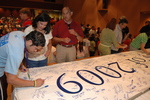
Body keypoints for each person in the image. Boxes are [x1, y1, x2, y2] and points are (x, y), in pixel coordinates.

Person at [0, 30, 45, 100]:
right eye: (36, 49)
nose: (35, 51)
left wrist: (20, 65)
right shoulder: (17, 53)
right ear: (30, 41)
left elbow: (9, 51)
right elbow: (11, 80)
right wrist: (34, 83)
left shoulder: (19, 34)